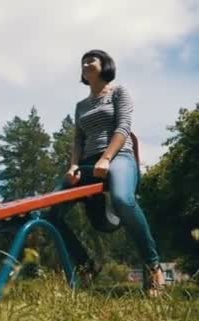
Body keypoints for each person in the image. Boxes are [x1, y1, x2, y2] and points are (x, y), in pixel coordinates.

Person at [47, 49, 164, 296]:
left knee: (123, 200)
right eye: (83, 61)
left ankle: (152, 266)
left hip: (119, 156)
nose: (86, 63)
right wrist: (73, 165)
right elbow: (78, 139)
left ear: (105, 65)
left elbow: (123, 127)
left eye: (92, 59)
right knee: (52, 213)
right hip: (87, 163)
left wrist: (107, 157)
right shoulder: (80, 106)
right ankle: (85, 265)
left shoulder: (119, 92)